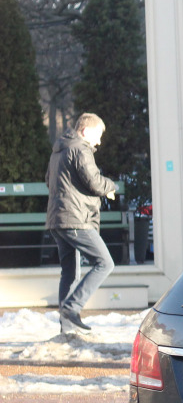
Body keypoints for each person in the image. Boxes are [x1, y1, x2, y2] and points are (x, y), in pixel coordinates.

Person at [45, 112, 118, 335]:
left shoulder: (59, 150)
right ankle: (72, 308)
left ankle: (67, 329)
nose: (99, 141)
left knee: (69, 271)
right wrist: (111, 186)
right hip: (76, 219)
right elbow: (94, 182)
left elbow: (49, 180)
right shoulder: (80, 149)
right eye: (97, 135)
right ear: (85, 131)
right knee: (105, 263)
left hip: (58, 218)